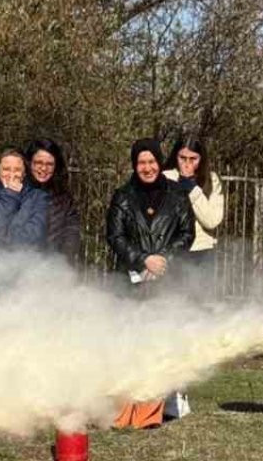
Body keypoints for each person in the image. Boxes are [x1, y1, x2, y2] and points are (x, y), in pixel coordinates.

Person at [106, 138, 196, 429]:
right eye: (141, 162)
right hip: (130, 282)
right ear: (135, 165)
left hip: (165, 282)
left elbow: (187, 233)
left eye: (152, 162)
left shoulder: (178, 196)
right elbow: (115, 236)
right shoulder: (122, 196)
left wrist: (163, 258)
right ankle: (121, 413)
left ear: (160, 163)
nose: (147, 167)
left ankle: (147, 415)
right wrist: (143, 259)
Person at [162, 135, 223, 268]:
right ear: (175, 156)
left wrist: (191, 188)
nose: (187, 164)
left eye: (193, 159)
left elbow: (211, 221)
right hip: (172, 251)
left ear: (201, 159)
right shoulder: (165, 178)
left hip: (203, 252)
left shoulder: (211, 180)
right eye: (182, 158)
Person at [0, 147, 48, 248]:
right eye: (6, 169)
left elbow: (34, 235)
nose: (11, 175)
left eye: (17, 170)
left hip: (25, 259)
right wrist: (10, 195)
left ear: (24, 173)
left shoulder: (38, 197)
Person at [24, 138, 81, 264]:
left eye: (49, 164)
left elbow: (71, 235)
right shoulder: (16, 194)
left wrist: (62, 264)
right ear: (29, 163)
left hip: (52, 270)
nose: (43, 168)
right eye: (38, 162)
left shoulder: (65, 200)